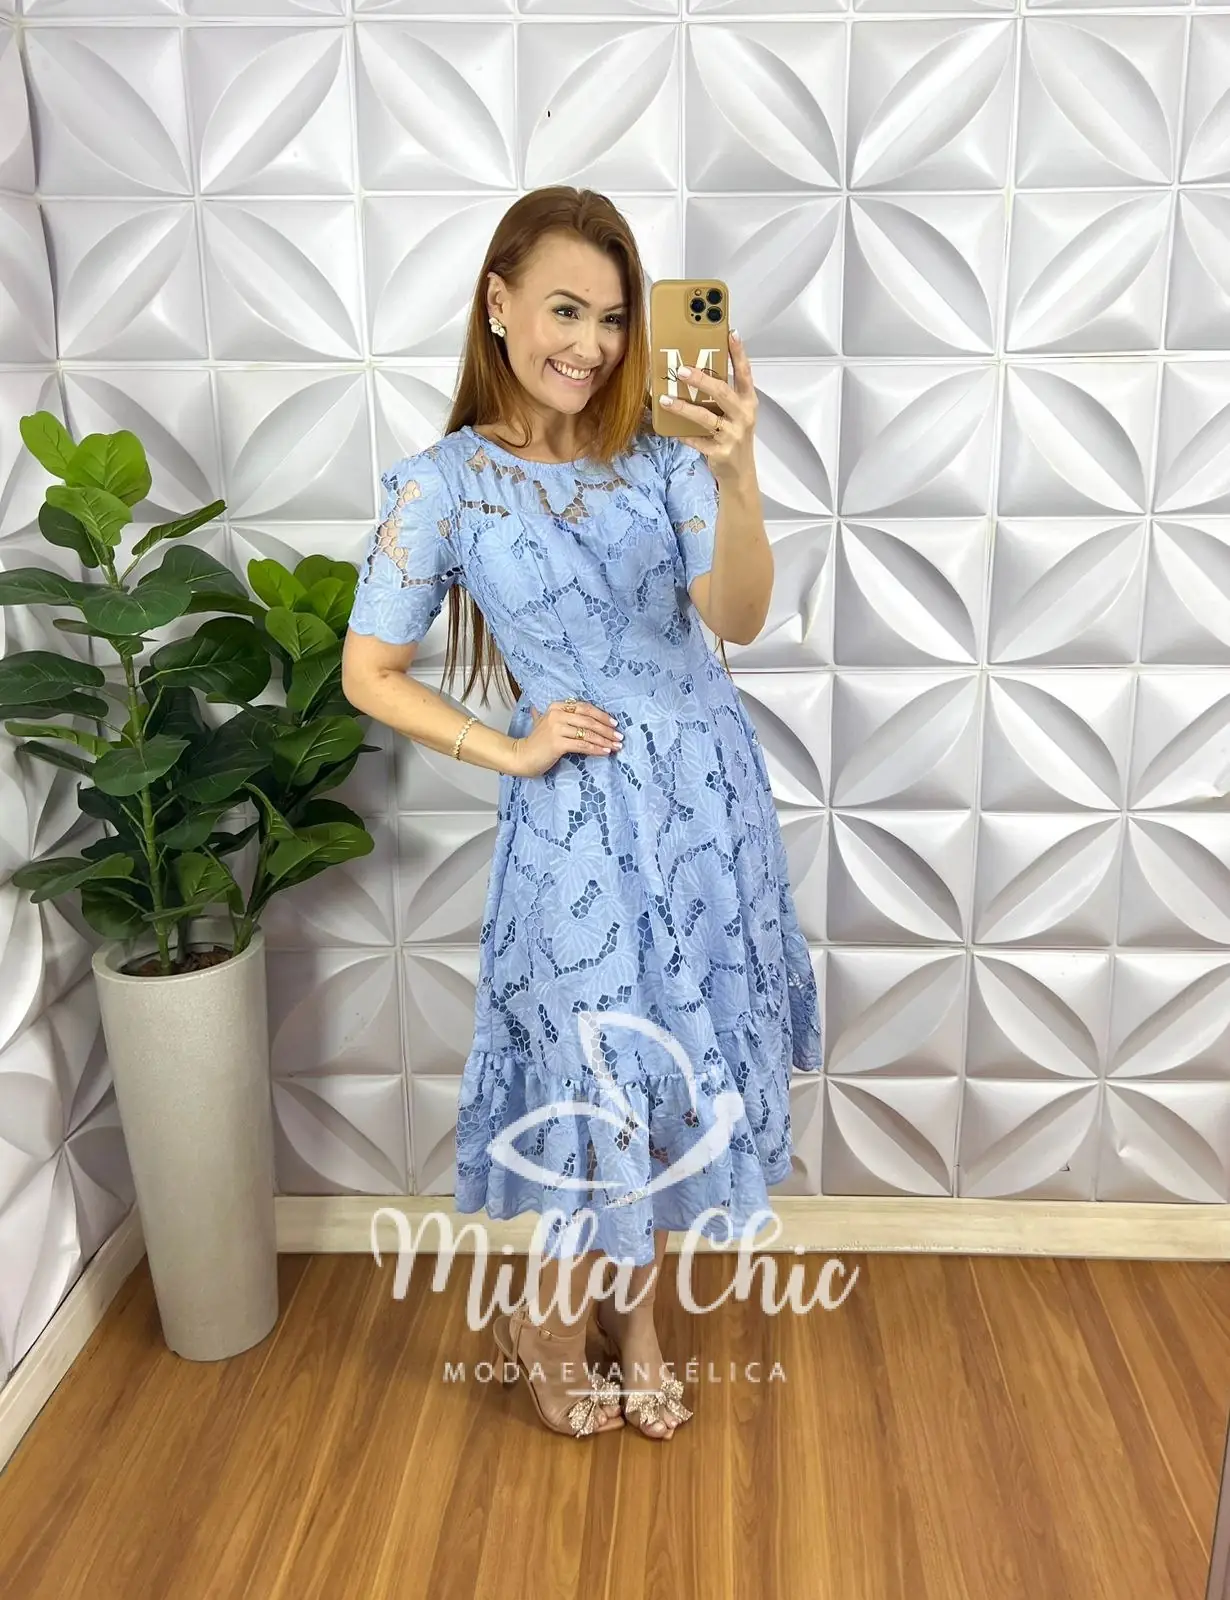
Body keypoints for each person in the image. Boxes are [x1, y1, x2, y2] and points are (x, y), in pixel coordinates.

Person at [342, 186, 822, 1442]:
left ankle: (638, 1321)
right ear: (498, 303)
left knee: (671, 1075)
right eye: (566, 310)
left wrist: (737, 468)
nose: (593, 345)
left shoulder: (662, 458)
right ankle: (548, 1324)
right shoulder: (444, 487)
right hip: (576, 821)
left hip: (706, 805)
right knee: (595, 1076)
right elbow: (369, 672)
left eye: (614, 319)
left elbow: (738, 617)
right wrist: (508, 747)